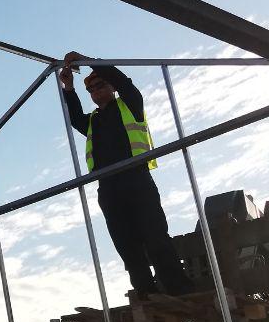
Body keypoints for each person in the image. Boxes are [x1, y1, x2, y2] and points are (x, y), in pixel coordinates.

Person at [59, 51, 193, 300]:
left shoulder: (130, 104)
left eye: (101, 85)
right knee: (125, 242)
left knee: (155, 235)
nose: (96, 91)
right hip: (108, 187)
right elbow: (75, 117)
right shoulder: (92, 121)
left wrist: (87, 61)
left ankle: (178, 287)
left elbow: (123, 81)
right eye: (91, 90)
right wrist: (69, 87)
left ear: (111, 87)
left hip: (137, 179)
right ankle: (145, 291)